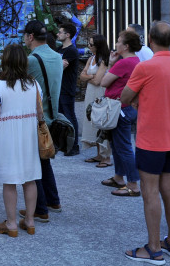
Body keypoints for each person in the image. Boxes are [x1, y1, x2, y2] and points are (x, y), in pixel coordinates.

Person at [120, 21, 170, 264]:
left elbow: (124, 97)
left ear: (150, 39)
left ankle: (153, 248)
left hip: (151, 139)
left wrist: (139, 98)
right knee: (168, 188)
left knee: (150, 193)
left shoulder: (145, 67)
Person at [0, 43, 43, 237]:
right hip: (29, 135)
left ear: (5, 62)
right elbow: (40, 112)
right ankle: (30, 221)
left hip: (6, 136)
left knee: (9, 181)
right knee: (30, 179)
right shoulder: (34, 84)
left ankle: (10, 224)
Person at [23, 20, 63, 222]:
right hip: (52, 117)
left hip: (35, 119)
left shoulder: (31, 60)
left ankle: (40, 208)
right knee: (44, 160)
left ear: (30, 36)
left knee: (33, 164)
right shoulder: (57, 57)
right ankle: (53, 200)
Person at [99, 30, 142, 197]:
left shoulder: (124, 63)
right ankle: (119, 177)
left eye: (118, 41)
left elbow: (103, 81)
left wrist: (111, 64)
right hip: (126, 107)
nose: (116, 44)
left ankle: (133, 184)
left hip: (119, 107)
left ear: (126, 46)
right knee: (117, 145)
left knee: (123, 146)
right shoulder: (135, 61)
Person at [79, 34, 111, 167]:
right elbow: (81, 76)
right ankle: (99, 154)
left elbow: (98, 81)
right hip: (90, 93)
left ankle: (106, 157)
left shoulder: (103, 60)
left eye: (91, 44)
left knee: (101, 122)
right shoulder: (91, 58)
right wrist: (91, 76)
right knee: (93, 121)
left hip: (99, 94)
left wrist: (88, 76)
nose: (89, 46)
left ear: (98, 45)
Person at [56, 22, 81, 156]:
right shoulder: (59, 50)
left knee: (70, 116)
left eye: (60, 32)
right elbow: (56, 66)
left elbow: (60, 67)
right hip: (59, 88)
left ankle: (74, 145)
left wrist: (58, 65)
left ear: (68, 35)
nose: (58, 34)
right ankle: (64, 144)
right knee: (61, 116)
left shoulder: (71, 50)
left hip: (67, 88)